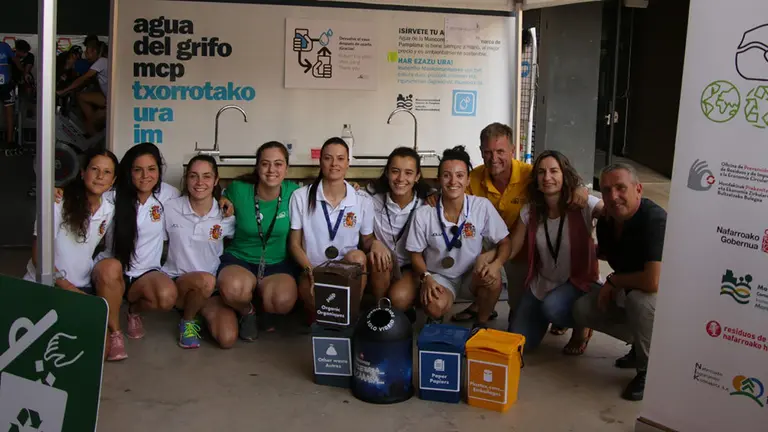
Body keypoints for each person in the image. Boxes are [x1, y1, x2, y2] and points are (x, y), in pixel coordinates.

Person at [458, 123, 589, 333]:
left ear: (513, 151)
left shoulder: (531, 174)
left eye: (500, 151)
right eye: (488, 152)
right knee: (475, 260)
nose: (494, 158)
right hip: (491, 243)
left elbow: (562, 179)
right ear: (481, 152)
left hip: (523, 247)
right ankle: (483, 305)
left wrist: (581, 187)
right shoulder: (473, 177)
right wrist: (430, 197)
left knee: (520, 315)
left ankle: (561, 316)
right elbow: (451, 192)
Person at [573, 162, 666, 401]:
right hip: (630, 288)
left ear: (638, 189)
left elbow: (654, 281)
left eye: (620, 188)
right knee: (582, 308)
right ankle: (639, 346)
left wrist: (614, 282)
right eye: (606, 190)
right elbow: (607, 252)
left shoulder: (655, 220)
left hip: (666, 299)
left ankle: (649, 370)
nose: (613, 197)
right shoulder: (607, 220)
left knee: (640, 302)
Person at [24, 148, 120, 357]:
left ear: (113, 181)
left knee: (99, 352)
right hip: (46, 285)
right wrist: (66, 287)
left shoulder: (108, 210)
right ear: (82, 173)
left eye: (107, 172)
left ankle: (112, 332)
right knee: (43, 352)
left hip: (80, 286)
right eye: (94, 169)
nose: (100, 176)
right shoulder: (58, 202)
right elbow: (38, 256)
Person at [505, 151, 603, 355]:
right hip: (542, 284)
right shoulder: (530, 210)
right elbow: (513, 247)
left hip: (577, 283)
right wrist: (494, 262)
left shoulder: (582, 204)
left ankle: (581, 327)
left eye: (554, 171)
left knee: (553, 307)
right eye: (541, 172)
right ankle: (551, 317)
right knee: (521, 343)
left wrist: (584, 190)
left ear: (564, 175)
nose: (547, 177)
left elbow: (606, 209)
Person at [91, 142, 181, 360]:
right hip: (113, 269)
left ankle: (133, 310)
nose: (145, 176)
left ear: (159, 170)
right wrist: (57, 192)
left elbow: (197, 204)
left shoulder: (169, 195)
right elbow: (83, 194)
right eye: (137, 170)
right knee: (110, 268)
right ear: (128, 172)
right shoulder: (111, 195)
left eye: (151, 169)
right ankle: (115, 333)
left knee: (167, 296)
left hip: (145, 272)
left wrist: (224, 199)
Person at [406, 146, 512, 329]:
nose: (453, 181)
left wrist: (495, 264)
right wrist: (426, 277)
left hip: (472, 275)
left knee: (493, 278)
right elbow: (415, 254)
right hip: (440, 276)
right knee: (434, 305)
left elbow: (505, 242)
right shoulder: (424, 213)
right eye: (447, 175)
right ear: (439, 180)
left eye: (460, 175)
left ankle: (482, 322)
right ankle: (436, 317)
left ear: (468, 180)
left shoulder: (481, 207)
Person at [217, 141, 300, 341]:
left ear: (286, 169)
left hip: (277, 263)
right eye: (265, 164)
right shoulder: (239, 189)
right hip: (241, 259)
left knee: (283, 300)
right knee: (232, 289)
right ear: (257, 167)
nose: (271, 170)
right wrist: (222, 200)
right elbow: (217, 194)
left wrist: (355, 188)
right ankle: (248, 311)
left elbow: (323, 190)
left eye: (278, 164)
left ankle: (265, 309)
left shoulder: (294, 193)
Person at [289, 137, 376, 323]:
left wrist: (377, 245)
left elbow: (367, 239)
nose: (334, 164)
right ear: (320, 161)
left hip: (345, 268)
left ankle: (351, 315)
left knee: (359, 258)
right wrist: (309, 271)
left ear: (348, 163)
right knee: (322, 315)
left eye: (340, 158)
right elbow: (295, 244)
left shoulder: (362, 200)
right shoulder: (301, 196)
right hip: (312, 269)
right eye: (328, 158)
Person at [162, 155, 235, 349]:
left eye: (206, 176)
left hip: (211, 289)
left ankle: (198, 311)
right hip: (178, 283)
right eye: (194, 176)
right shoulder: (170, 208)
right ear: (186, 179)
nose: (200, 182)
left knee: (227, 339)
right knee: (205, 281)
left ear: (216, 180)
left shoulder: (225, 214)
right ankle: (188, 321)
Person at [367, 147, 431, 316]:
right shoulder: (372, 201)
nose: (401, 178)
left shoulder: (425, 204)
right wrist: (375, 242)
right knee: (378, 257)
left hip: (411, 268)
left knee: (398, 299)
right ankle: (379, 311)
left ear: (417, 177)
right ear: (387, 173)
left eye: (408, 173)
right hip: (382, 266)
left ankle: (406, 304)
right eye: (395, 171)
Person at [56, 40, 108, 136]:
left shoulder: (102, 61)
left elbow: (83, 78)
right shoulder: (98, 64)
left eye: (88, 53)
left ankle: (95, 140)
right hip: (106, 98)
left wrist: (63, 91)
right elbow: (85, 82)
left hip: (111, 103)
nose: (85, 55)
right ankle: (93, 121)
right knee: (81, 96)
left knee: (88, 124)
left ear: (95, 52)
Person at [0, 41, 15, 146]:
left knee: (9, 113)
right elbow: (15, 60)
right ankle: (9, 142)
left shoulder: (4, 46)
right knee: (9, 113)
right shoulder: (4, 46)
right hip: (6, 84)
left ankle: (9, 141)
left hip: (6, 85)